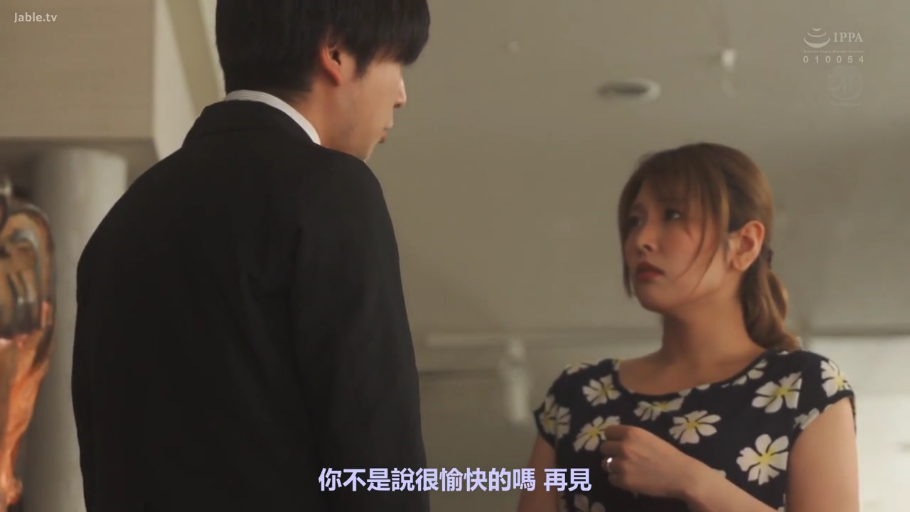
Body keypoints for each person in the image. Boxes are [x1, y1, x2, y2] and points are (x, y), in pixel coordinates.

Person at [70, 1, 431, 511]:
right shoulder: (333, 191)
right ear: (335, 51)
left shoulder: (119, 226)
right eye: (397, 61)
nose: (401, 95)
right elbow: (376, 459)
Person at [517, 143, 859, 512]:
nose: (641, 240)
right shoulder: (575, 394)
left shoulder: (805, 388)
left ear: (744, 245)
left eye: (674, 215)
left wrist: (691, 481)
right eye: (635, 221)